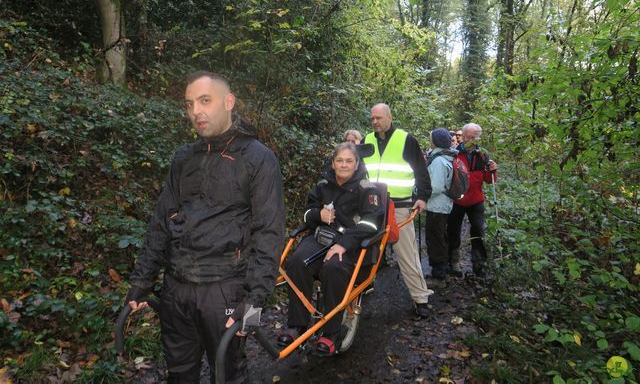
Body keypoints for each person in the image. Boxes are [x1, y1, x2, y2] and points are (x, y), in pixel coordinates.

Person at [124, 71, 286, 383]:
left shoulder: (258, 159)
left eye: (205, 100)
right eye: (189, 104)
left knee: (227, 375)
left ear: (228, 102)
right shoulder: (184, 158)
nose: (196, 111)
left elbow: (269, 233)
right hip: (176, 290)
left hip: (225, 291)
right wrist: (141, 281)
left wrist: (254, 306)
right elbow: (161, 221)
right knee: (179, 374)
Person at [279, 142, 384, 356]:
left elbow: (371, 224)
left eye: (349, 161)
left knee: (333, 268)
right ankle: (297, 326)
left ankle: (331, 332)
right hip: (320, 238)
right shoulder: (322, 185)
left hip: (350, 243)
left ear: (356, 164)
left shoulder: (368, 189)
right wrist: (319, 215)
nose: (344, 165)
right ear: (333, 163)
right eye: (339, 160)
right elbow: (307, 215)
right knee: (296, 262)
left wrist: (344, 244)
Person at [362, 103, 434, 318]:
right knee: (363, 247)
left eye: (379, 118)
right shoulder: (367, 140)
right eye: (372, 118)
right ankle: (362, 286)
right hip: (372, 205)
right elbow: (358, 170)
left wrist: (422, 197)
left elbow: (421, 170)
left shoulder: (406, 140)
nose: (375, 122)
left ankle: (420, 298)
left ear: (390, 118)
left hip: (399, 206)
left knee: (407, 254)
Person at [447, 123, 497, 277]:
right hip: (456, 200)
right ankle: (453, 261)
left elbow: (490, 180)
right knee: (453, 231)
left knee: (477, 230)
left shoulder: (482, 155)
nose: (470, 140)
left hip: (476, 200)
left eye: (474, 138)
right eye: (468, 137)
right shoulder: (453, 154)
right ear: (462, 136)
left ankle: (479, 264)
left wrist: (493, 170)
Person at [425, 128, 457, 288]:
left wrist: (420, 195)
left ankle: (439, 277)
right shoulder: (447, 157)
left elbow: (435, 187)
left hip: (437, 206)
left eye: (431, 138)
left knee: (436, 239)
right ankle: (442, 270)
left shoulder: (438, 161)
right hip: (443, 204)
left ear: (436, 141)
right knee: (440, 237)